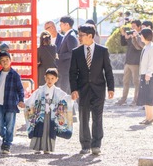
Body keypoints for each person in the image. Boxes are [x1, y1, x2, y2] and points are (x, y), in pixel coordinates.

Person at [69, 24, 115, 156]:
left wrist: (111, 88)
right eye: (78, 35)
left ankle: (96, 144)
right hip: (82, 90)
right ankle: (85, 145)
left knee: (97, 117)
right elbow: (72, 73)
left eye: (81, 35)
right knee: (83, 118)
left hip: (98, 89)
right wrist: (74, 89)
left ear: (90, 36)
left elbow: (108, 70)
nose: (79, 38)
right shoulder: (76, 52)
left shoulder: (102, 51)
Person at [0, 51, 26, 153]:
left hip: (10, 104)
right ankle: (5, 136)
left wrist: (21, 100)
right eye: (2, 60)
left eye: (7, 60)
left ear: (10, 60)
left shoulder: (15, 75)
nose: (5, 62)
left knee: (10, 125)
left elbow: (20, 89)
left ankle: (7, 144)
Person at [25, 68, 72, 153]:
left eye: (52, 78)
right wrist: (25, 103)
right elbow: (32, 99)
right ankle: (37, 148)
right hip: (40, 114)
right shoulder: (40, 90)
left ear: (56, 79)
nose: (50, 80)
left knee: (50, 130)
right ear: (45, 78)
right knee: (39, 129)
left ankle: (47, 148)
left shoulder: (57, 91)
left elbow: (65, 98)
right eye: (48, 78)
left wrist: (71, 98)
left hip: (52, 114)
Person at [117, 20, 145, 105]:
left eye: (134, 26)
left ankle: (136, 100)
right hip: (128, 62)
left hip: (135, 62)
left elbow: (139, 47)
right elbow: (123, 44)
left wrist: (135, 37)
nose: (132, 28)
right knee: (125, 81)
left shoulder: (141, 36)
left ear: (139, 27)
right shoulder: (131, 34)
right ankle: (123, 99)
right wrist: (124, 36)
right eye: (131, 26)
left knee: (136, 82)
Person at [136, 27, 153, 125]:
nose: (140, 36)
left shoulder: (152, 47)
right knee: (145, 96)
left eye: (141, 35)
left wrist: (148, 74)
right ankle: (148, 117)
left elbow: (152, 62)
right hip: (145, 74)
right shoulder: (147, 46)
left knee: (149, 96)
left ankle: (151, 117)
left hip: (150, 75)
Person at [54, 15, 78, 87]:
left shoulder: (71, 36)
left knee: (64, 91)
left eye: (61, 24)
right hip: (63, 70)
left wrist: (58, 56)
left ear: (67, 25)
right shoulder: (67, 35)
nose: (60, 26)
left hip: (66, 70)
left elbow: (72, 53)